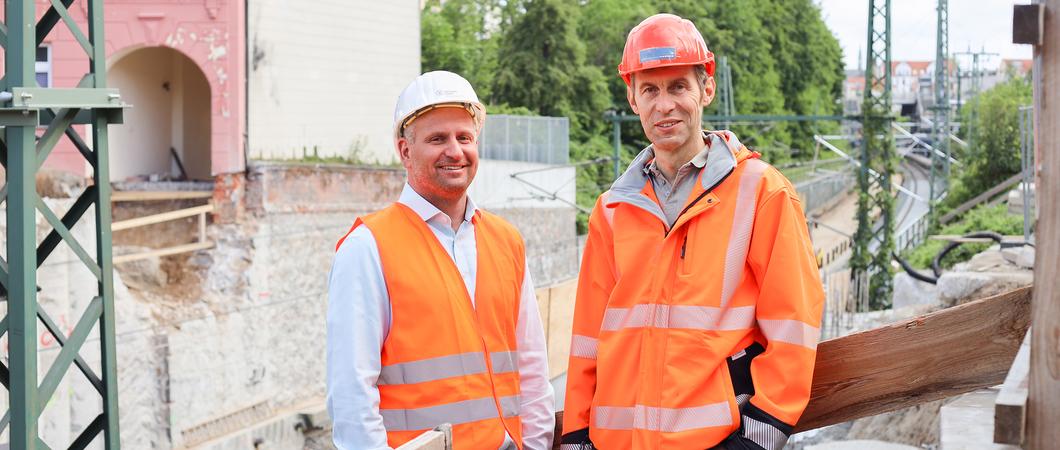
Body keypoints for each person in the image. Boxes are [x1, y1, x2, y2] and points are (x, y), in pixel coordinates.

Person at [561, 14, 824, 450]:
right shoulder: (611, 209)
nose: (664, 105)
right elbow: (588, 339)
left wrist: (758, 436)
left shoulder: (761, 191)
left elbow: (794, 325)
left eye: (678, 87)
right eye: (650, 90)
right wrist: (575, 436)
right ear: (632, 98)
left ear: (706, 89)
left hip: (716, 442)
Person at [327, 70, 554, 450]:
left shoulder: (506, 241)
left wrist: (535, 445)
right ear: (404, 151)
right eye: (437, 139)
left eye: (464, 137)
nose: (455, 151)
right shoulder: (368, 247)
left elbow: (531, 370)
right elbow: (351, 395)